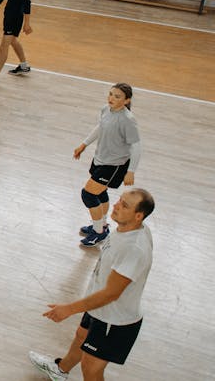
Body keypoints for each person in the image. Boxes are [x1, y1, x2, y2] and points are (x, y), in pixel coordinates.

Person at [28, 188, 155, 381]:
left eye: (124, 205)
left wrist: (69, 309)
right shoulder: (128, 228)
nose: (116, 205)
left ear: (139, 216)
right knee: (81, 335)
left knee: (91, 368)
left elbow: (111, 294)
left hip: (114, 319)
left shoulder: (134, 249)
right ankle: (60, 370)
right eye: (120, 200)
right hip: (98, 307)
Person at [73, 83, 142, 247]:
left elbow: (137, 146)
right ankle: (101, 225)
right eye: (111, 94)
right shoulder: (105, 109)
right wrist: (84, 144)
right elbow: (100, 127)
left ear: (126, 101)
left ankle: (99, 233)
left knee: (88, 194)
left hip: (114, 165)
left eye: (117, 96)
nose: (112, 98)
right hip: (100, 159)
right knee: (100, 193)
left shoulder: (128, 120)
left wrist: (131, 171)